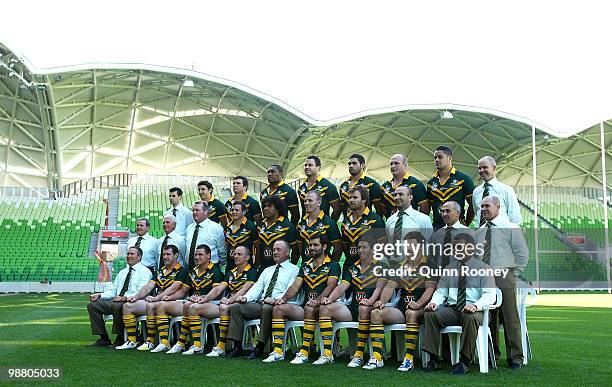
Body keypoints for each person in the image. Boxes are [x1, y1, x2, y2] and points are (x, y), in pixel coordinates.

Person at [422, 233, 496, 375]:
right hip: (453, 309)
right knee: (431, 314)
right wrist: (433, 303)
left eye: (460, 247)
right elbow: (441, 292)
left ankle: (464, 362)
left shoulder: (484, 268)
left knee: (470, 317)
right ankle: (433, 359)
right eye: (454, 248)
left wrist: (475, 306)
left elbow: (490, 295)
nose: (456, 251)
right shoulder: (450, 268)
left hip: (476, 311)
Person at [364, 232, 437, 371]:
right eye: (406, 245)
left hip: (421, 309)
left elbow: (430, 289)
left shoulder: (429, 265)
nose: (408, 248)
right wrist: (382, 301)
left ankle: (408, 359)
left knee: (411, 313)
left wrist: (419, 304)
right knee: (376, 313)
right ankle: (377, 357)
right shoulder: (398, 266)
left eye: (411, 245)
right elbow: (389, 286)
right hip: (400, 309)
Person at [263, 234, 341, 363]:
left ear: (325, 247)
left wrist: (317, 300)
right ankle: (277, 351)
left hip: (324, 308)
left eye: (316, 245)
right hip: (305, 308)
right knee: (278, 308)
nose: (311, 248)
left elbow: (331, 286)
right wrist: (284, 298)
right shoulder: (305, 265)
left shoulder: (333, 265)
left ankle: (306, 351)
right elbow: (295, 287)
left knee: (310, 309)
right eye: (310, 245)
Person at [313, 238, 387, 366]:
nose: (360, 250)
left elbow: (380, 287)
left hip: (372, 308)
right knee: (325, 308)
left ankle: (358, 355)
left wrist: (370, 301)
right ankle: (327, 354)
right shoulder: (352, 268)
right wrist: (329, 299)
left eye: (364, 247)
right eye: (359, 248)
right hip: (353, 308)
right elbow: (342, 286)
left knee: (363, 308)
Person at [475, 196, 529, 369]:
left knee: (510, 317)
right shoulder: (479, 231)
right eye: (481, 206)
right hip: (484, 277)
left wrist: (512, 274)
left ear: (498, 206)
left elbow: (522, 254)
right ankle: (492, 355)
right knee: (488, 318)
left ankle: (515, 357)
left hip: (504, 274)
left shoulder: (511, 227)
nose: (483, 209)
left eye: (487, 205)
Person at [225, 240, 299, 359]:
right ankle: (237, 346)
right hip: (262, 303)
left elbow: (290, 289)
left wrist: (276, 299)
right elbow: (257, 288)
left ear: (287, 252)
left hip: (280, 305)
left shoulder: (294, 270)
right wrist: (246, 297)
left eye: (278, 250)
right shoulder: (268, 270)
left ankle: (260, 346)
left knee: (266, 307)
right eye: (274, 250)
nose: (275, 252)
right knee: (236, 307)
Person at [115, 244, 188, 350]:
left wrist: (156, 298)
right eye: (163, 254)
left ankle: (154, 341)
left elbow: (173, 288)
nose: (165, 257)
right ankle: (132, 340)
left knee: (152, 305)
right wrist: (136, 297)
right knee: (128, 306)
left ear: (176, 255)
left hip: (175, 301)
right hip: (157, 301)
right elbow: (149, 286)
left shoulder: (182, 270)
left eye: (168, 254)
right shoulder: (160, 270)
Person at [158, 244, 225, 354]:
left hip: (212, 304)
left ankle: (196, 345)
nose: (197, 257)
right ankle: (178, 343)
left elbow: (216, 293)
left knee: (191, 306)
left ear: (209, 256)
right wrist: (169, 297)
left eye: (200, 255)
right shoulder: (193, 271)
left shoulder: (216, 271)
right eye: (195, 255)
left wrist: (201, 298)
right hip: (193, 302)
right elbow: (183, 291)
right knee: (166, 305)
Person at [87, 246, 151, 347]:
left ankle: (120, 337)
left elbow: (141, 292)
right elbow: (113, 290)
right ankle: (103, 338)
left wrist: (125, 298)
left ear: (139, 257)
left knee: (117, 305)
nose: (129, 256)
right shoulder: (123, 272)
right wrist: (100, 295)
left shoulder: (145, 272)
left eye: (132, 254)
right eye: (128, 254)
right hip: (117, 300)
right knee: (93, 305)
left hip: (133, 302)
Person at [206, 246, 258, 357]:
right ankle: (225, 346)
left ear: (248, 257)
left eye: (239, 254)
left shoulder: (252, 272)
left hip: (244, 303)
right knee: (222, 307)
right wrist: (205, 298)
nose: (235, 256)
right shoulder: (230, 272)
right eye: (234, 254)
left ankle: (222, 345)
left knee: (224, 308)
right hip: (230, 303)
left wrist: (229, 301)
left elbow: (244, 290)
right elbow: (219, 288)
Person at [426, 146, 475, 229]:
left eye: (440, 157)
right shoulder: (431, 183)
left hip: (457, 228)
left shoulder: (463, 179)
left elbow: (473, 205)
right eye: (435, 158)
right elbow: (428, 208)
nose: (437, 160)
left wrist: (466, 223)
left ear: (449, 158)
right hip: (437, 228)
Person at [340, 186, 385, 270]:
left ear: (364, 200)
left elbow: (383, 245)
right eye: (349, 198)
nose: (351, 200)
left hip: (369, 266)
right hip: (349, 264)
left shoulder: (375, 220)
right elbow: (344, 244)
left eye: (355, 197)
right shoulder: (345, 221)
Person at [473, 156, 522, 226]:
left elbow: (515, 217)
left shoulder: (506, 190)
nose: (481, 170)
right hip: (481, 233)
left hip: (502, 234)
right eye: (479, 168)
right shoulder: (476, 192)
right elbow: (477, 212)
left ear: (494, 168)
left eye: (485, 167)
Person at [296, 190, 342, 262]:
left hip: (324, 268)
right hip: (306, 267)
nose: (306, 203)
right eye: (305, 201)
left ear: (319, 203)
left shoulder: (329, 223)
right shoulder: (301, 224)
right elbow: (299, 246)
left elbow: (338, 248)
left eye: (310, 200)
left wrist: (332, 265)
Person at [256, 195, 299, 269]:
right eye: (264, 206)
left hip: (281, 269)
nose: (266, 208)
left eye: (269, 206)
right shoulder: (260, 226)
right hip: (263, 268)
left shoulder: (287, 226)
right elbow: (258, 249)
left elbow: (295, 250)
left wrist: (290, 267)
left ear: (277, 208)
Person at [428, 201, 473, 269]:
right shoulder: (436, 235)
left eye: (448, 211)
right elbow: (432, 258)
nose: (444, 214)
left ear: (458, 213)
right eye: (442, 211)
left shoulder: (470, 233)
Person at [298, 155, 341, 221]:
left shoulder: (328, 186)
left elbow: (337, 209)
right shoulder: (301, 188)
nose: (307, 167)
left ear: (318, 168)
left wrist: (330, 224)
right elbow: (304, 210)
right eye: (305, 165)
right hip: (305, 227)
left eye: (310, 165)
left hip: (322, 228)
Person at [186, 201, 226, 268]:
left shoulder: (216, 228)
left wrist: (216, 268)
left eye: (197, 210)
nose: (194, 212)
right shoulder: (189, 228)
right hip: (191, 270)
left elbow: (223, 252)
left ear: (206, 212)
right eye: (193, 210)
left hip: (210, 270)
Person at [224, 201, 258, 271]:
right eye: (232, 210)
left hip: (245, 266)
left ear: (244, 212)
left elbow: (257, 246)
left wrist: (256, 264)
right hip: (230, 265)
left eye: (236, 210)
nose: (233, 212)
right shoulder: (227, 227)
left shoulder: (251, 226)